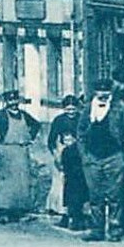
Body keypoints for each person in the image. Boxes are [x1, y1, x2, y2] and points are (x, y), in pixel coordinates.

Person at [77, 78, 124, 242]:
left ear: (110, 92)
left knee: (115, 196)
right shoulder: (88, 109)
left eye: (106, 91)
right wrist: (84, 155)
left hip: (114, 157)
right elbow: (80, 133)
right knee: (95, 195)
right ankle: (97, 229)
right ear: (95, 92)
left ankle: (115, 230)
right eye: (100, 91)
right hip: (92, 158)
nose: (103, 94)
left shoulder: (119, 108)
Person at [0, 91, 41, 223]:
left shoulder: (24, 115)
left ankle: (21, 211)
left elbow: (36, 125)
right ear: (6, 102)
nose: (13, 104)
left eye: (15, 101)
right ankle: (4, 211)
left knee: (23, 181)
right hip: (5, 150)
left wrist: (30, 136)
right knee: (6, 181)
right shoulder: (0, 115)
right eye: (10, 101)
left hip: (21, 150)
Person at [47, 95, 84, 225]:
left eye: (73, 110)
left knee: (77, 184)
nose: (71, 112)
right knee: (61, 184)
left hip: (78, 153)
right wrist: (56, 154)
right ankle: (64, 214)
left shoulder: (81, 119)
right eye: (68, 110)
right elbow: (51, 140)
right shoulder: (59, 120)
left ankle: (79, 213)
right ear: (64, 109)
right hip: (62, 152)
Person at [57, 131, 89, 230]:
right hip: (70, 178)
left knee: (79, 201)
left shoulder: (78, 150)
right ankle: (73, 221)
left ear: (74, 139)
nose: (68, 142)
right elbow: (64, 164)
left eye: (70, 140)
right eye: (65, 140)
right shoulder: (65, 151)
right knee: (71, 201)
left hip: (79, 178)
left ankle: (80, 222)